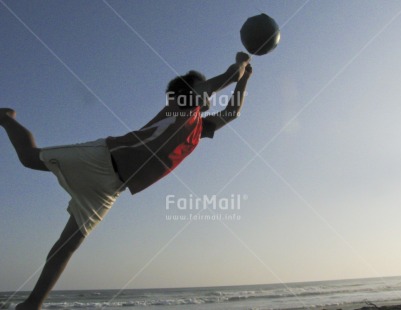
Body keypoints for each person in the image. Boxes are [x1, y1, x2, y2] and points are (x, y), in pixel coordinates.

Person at [0, 52, 252, 310]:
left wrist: (246, 79)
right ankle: (6, 118)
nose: (209, 95)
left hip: (112, 189)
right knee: (30, 158)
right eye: (205, 91)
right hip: (102, 158)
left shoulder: (199, 128)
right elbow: (230, 76)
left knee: (67, 245)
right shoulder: (181, 104)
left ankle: (32, 304)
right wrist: (242, 62)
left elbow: (232, 112)